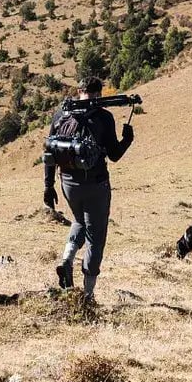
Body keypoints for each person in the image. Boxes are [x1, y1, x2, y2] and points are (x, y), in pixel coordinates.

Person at [43, 76, 134, 300]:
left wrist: (48, 186)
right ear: (99, 93)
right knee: (96, 237)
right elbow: (114, 155)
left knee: (78, 221)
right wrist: (127, 139)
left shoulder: (62, 114)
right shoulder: (103, 117)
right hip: (96, 185)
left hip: (67, 183)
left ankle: (67, 259)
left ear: (79, 91)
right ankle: (88, 295)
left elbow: (49, 153)